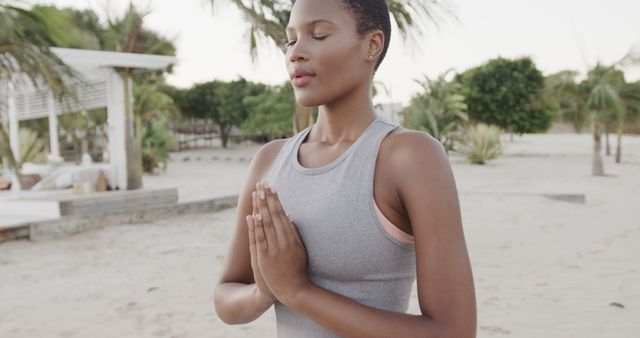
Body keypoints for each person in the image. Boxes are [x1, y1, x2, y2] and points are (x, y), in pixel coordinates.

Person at [214, 0, 477, 336]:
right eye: (290, 40)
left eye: (319, 35)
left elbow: (454, 331)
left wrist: (298, 291)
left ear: (372, 45)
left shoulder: (408, 157)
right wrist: (265, 290)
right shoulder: (270, 160)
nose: (296, 53)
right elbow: (225, 296)